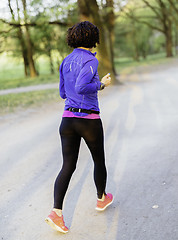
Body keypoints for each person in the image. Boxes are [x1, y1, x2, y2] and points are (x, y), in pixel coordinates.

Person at [45, 21, 113, 233]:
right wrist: (102, 84)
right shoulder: (91, 60)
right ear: (92, 39)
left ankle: (56, 213)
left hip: (67, 120)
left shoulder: (65, 61)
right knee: (98, 159)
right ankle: (101, 198)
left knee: (68, 165)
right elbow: (82, 86)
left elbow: (64, 93)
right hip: (89, 120)